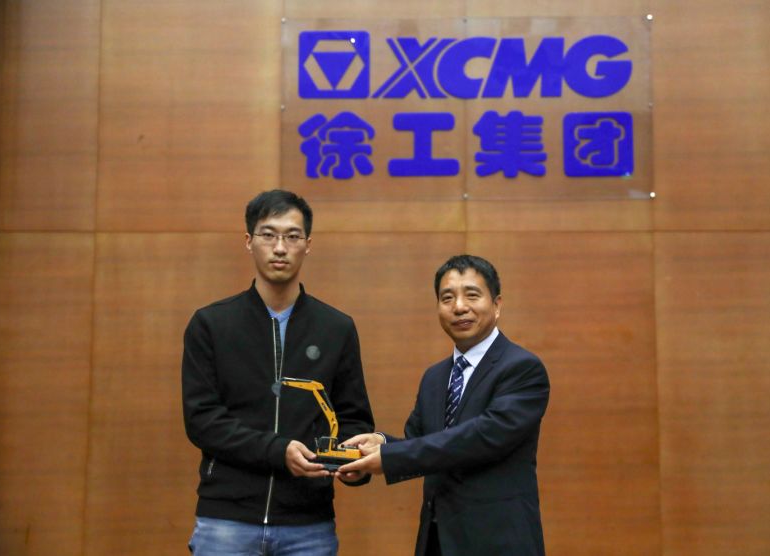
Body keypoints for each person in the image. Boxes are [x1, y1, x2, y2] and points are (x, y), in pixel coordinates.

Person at [182, 189, 375, 556]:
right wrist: (277, 450)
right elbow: (202, 421)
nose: (280, 248)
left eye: (292, 236)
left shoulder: (336, 328)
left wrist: (354, 464)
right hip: (227, 520)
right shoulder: (211, 324)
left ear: (308, 245)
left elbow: (353, 418)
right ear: (248, 241)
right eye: (268, 235)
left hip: (308, 524)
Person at [339, 254, 550, 556]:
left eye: (472, 295)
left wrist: (389, 457)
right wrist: (377, 446)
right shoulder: (435, 377)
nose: (459, 307)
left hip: (498, 541)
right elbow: (419, 443)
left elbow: (479, 438)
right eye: (447, 298)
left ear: (497, 304)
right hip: (438, 540)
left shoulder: (522, 368)